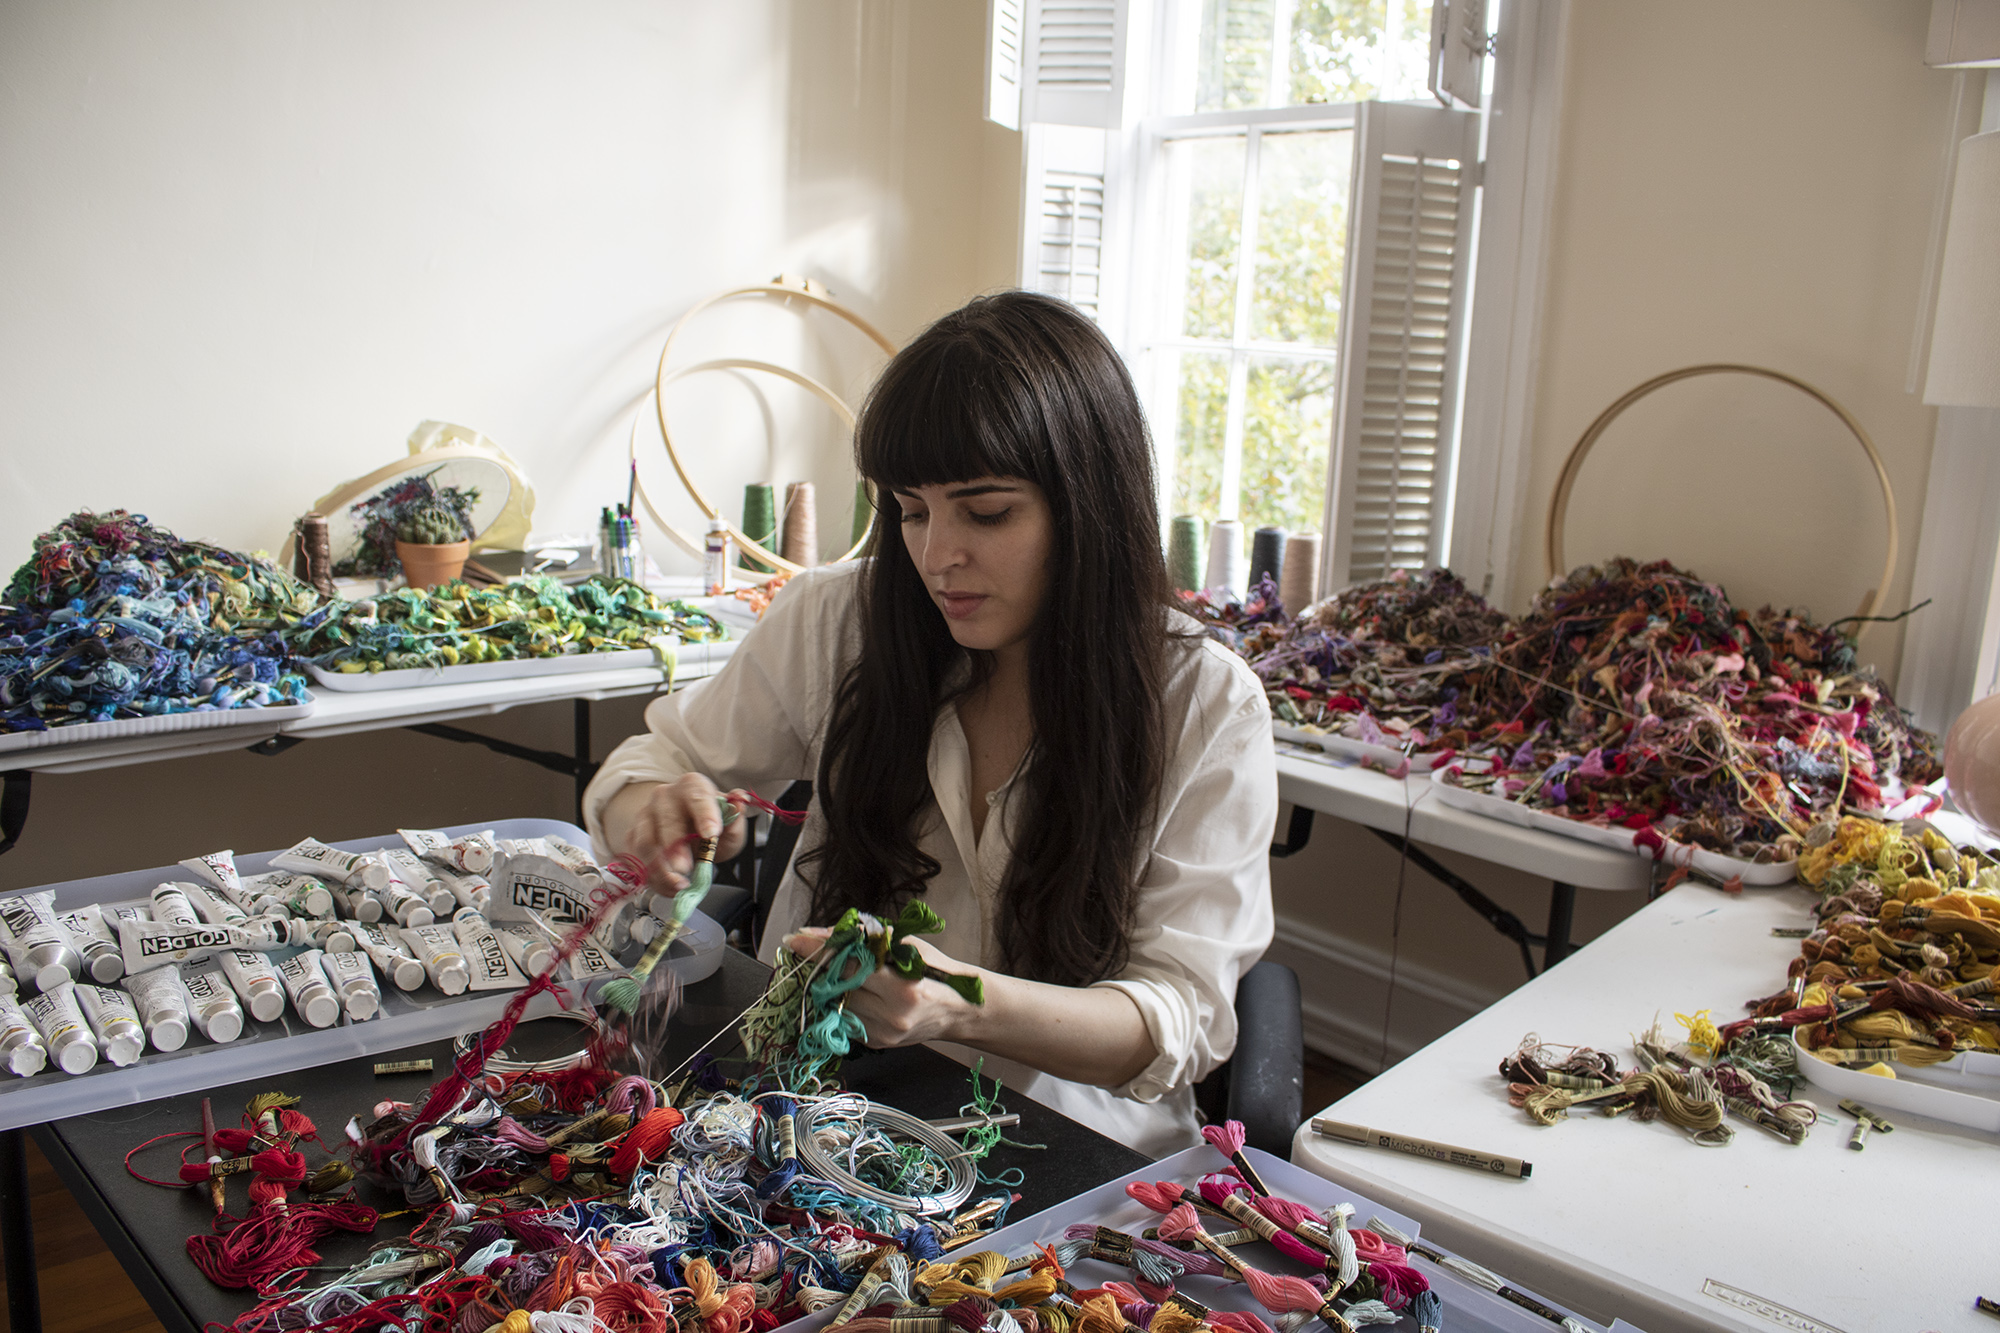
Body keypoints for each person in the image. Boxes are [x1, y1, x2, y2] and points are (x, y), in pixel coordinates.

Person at [585, 290, 1276, 1155]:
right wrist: (648, 811)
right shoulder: (838, 620)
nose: (937, 554)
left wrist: (962, 1005)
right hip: (824, 1116)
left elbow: (1179, 1019)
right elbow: (657, 755)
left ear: (1088, 507)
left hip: (1074, 1146)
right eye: (910, 510)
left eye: (987, 513)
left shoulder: (1204, 704)